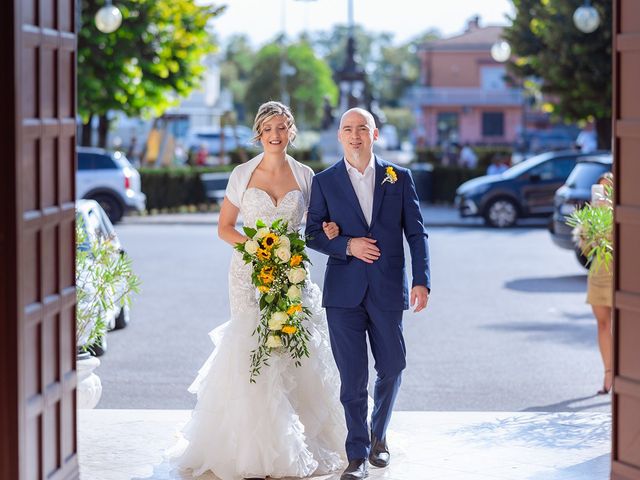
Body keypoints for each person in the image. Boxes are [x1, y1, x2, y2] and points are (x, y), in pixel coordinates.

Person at [173, 101, 347, 480]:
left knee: (294, 346)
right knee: (253, 347)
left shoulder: (306, 176)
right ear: (258, 133)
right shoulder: (242, 173)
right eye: (268, 128)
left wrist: (330, 231)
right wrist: (257, 251)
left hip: (293, 273)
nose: (275, 135)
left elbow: (316, 226)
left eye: (282, 127)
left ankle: (297, 443)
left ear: (291, 131)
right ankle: (250, 448)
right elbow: (225, 227)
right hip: (248, 274)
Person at [305, 108, 431, 480]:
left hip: (389, 288)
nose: (355, 134)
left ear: (375, 135)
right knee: (353, 378)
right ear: (340, 136)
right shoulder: (325, 182)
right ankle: (357, 455)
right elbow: (312, 234)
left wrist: (421, 280)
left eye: (363, 128)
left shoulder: (399, 178)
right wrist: (347, 245)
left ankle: (379, 435)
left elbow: (417, 233)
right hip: (343, 292)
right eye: (348, 129)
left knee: (393, 366)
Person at [586, 172, 614, 394]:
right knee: (603, 324)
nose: (605, 194)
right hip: (598, 276)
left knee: (627, 328)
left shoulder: (623, 213)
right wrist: (592, 225)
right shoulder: (594, 215)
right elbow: (586, 250)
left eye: (609, 190)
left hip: (622, 277)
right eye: (601, 190)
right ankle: (608, 373)